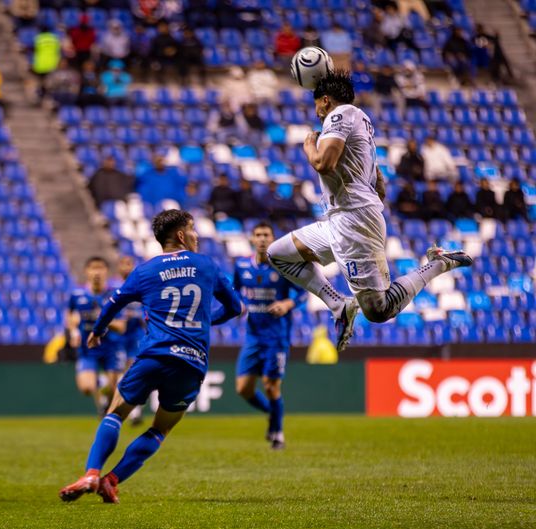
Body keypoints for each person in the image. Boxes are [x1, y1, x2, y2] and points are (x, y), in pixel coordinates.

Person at [266, 71, 473, 352]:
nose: (316, 113)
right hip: (339, 218)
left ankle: (439, 263)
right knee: (277, 254)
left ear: (325, 100)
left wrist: (308, 147)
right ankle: (339, 305)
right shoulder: (361, 121)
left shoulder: (339, 116)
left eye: (316, 106)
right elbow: (377, 179)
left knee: (379, 310)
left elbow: (324, 164)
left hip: (354, 221)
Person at [59, 209, 243, 504]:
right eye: (193, 229)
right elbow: (235, 307)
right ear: (182, 235)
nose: (196, 235)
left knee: (115, 412)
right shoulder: (206, 265)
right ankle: (112, 480)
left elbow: (113, 302)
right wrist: (205, 320)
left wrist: (98, 331)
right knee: (160, 428)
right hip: (191, 362)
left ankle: (92, 473)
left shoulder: (145, 271)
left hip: (153, 356)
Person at [233, 222, 306, 449]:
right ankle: (273, 414)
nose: (262, 239)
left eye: (266, 235)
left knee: (270, 385)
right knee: (243, 388)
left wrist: (288, 302)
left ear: (274, 239)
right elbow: (234, 291)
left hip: (277, 336)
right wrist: (239, 304)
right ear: (252, 239)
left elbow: (304, 291)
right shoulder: (242, 265)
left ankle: (278, 433)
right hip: (253, 335)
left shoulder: (283, 266)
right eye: (258, 235)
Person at [65, 257, 128, 415]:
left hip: (111, 347)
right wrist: (73, 331)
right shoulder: (76, 295)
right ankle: (102, 382)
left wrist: (103, 318)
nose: (97, 272)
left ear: (106, 271)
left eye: (100, 268)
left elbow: (121, 327)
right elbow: (70, 316)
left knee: (115, 391)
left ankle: (105, 397)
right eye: (93, 268)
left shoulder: (116, 294)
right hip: (88, 347)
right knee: (86, 388)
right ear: (86, 271)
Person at [116, 255, 146, 425]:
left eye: (129, 264)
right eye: (123, 264)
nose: (126, 268)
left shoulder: (140, 286)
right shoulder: (112, 286)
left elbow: (146, 309)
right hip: (117, 337)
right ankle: (112, 404)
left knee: (132, 372)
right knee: (116, 374)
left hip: (135, 336)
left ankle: (135, 411)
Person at [32, 26, 61, 100]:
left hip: (41, 63)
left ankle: (41, 95)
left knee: (41, 82)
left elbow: (35, 50)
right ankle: (49, 96)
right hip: (52, 63)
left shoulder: (39, 38)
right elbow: (58, 51)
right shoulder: (54, 38)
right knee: (50, 82)